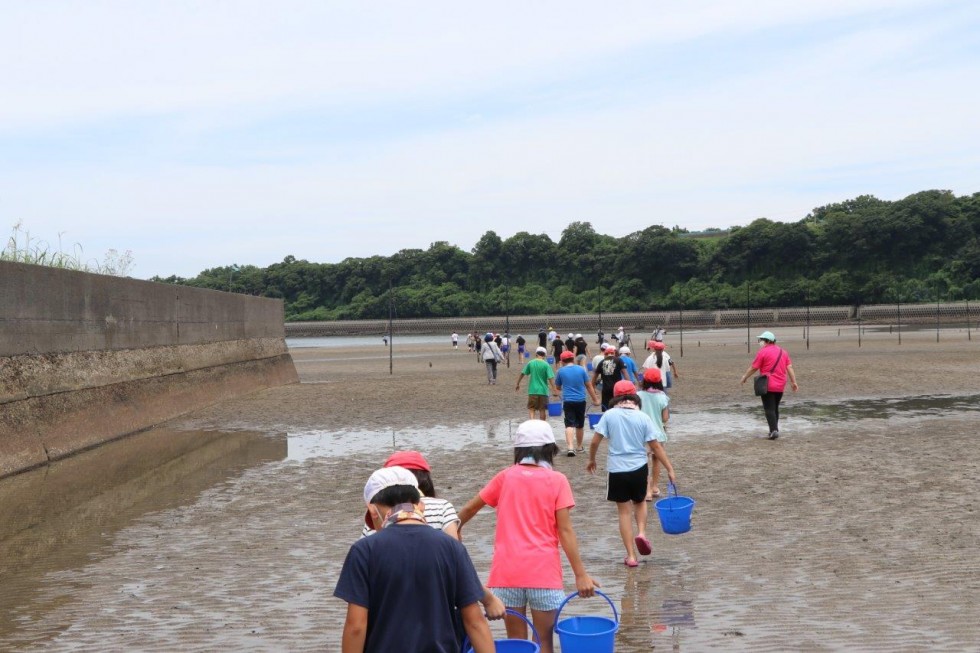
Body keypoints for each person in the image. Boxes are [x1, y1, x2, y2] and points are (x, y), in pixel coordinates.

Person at [458, 420, 598, 653]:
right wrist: (580, 574)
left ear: (518, 451)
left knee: (518, 644)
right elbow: (565, 531)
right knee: (543, 641)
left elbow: (469, 509)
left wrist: (452, 530)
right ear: (550, 450)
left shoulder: (505, 477)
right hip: (543, 574)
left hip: (507, 573)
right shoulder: (557, 480)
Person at [335, 466, 495, 653]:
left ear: (372, 510)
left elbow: (356, 627)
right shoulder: (452, 548)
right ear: (420, 505)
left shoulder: (364, 551)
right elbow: (475, 622)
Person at [358, 451, 506, 620]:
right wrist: (488, 599)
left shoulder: (375, 517)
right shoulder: (443, 507)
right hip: (439, 608)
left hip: (389, 610)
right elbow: (456, 563)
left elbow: (363, 574)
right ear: (426, 480)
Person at [587, 381, 677, 568]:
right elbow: (655, 446)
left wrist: (592, 460)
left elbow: (595, 442)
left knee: (624, 512)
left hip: (617, 469)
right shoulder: (643, 417)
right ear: (634, 396)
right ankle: (642, 532)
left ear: (616, 396)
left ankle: (631, 556)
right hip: (639, 468)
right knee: (640, 501)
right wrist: (669, 468)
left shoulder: (609, 415)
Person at [740, 330, 799, 440]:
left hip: (768, 384)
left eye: (761, 340)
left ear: (767, 341)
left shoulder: (762, 352)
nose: (760, 342)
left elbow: (754, 367)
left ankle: (773, 431)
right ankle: (774, 429)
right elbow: (789, 367)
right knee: (775, 407)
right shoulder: (783, 352)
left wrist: (745, 377)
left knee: (769, 408)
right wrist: (793, 382)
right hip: (781, 384)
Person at [554, 350, 599, 456]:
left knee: (569, 424)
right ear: (573, 359)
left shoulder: (560, 371)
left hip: (568, 401)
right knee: (579, 425)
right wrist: (595, 399)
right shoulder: (581, 370)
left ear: (562, 361)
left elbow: (558, 387)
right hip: (580, 400)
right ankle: (579, 447)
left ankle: (570, 447)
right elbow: (588, 385)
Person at [637, 369, 670, 500]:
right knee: (657, 460)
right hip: (658, 434)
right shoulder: (663, 397)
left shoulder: (638, 395)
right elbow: (665, 418)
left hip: (642, 434)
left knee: (643, 462)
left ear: (644, 381)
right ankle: (654, 487)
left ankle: (646, 491)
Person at [516, 347, 557, 420]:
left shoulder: (531, 362)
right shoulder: (546, 365)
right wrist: (554, 390)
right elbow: (551, 378)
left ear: (536, 354)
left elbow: (522, 373)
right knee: (542, 409)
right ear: (544, 355)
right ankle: (542, 427)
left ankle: (532, 425)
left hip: (532, 391)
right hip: (543, 391)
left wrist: (518, 383)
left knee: (532, 409)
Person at [592, 346, 627, 411]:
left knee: (606, 408)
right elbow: (625, 373)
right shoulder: (619, 360)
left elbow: (594, 377)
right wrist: (628, 384)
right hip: (617, 389)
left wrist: (593, 388)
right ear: (613, 353)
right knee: (618, 408)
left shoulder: (602, 362)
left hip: (606, 389)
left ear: (605, 354)